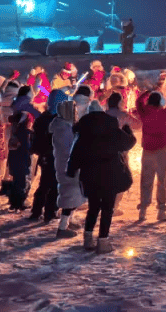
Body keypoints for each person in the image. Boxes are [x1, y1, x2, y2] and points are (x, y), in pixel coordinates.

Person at [68, 103, 135, 252]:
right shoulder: (111, 128)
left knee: (93, 207)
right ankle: (103, 241)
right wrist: (128, 131)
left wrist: (71, 170)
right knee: (107, 208)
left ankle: (88, 238)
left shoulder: (84, 132)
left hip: (89, 174)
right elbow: (128, 143)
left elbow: (75, 153)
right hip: (109, 173)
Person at [133, 82, 166, 223]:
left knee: (146, 180)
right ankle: (161, 210)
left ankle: (143, 210)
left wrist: (147, 91)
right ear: (161, 102)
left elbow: (138, 101)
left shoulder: (144, 112)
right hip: (163, 151)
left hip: (148, 151)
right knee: (162, 180)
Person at [30, 89, 67, 222]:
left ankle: (36, 211)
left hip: (44, 155)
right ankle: (50, 212)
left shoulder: (42, 117)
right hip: (55, 155)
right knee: (54, 185)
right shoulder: (58, 119)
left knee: (44, 184)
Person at [51, 99, 83, 238]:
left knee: (74, 194)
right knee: (70, 194)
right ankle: (62, 227)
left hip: (68, 164)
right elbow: (68, 148)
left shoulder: (64, 126)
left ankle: (68, 221)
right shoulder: (64, 129)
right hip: (68, 166)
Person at [6, 110, 35, 210]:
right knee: (23, 183)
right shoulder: (25, 133)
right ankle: (20, 203)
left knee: (16, 182)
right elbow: (28, 148)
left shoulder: (14, 131)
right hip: (23, 162)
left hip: (14, 162)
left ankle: (14, 202)